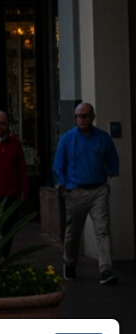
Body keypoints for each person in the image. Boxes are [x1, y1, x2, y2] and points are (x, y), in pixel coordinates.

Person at [53, 102, 121, 286]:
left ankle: (105, 269)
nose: (83, 119)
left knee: (102, 230)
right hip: (76, 191)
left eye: (87, 116)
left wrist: (112, 170)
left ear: (93, 117)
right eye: (80, 116)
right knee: (73, 232)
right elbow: (59, 164)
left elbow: (112, 157)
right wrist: (64, 185)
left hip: (98, 189)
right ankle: (69, 262)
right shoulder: (67, 139)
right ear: (75, 118)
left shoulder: (103, 138)